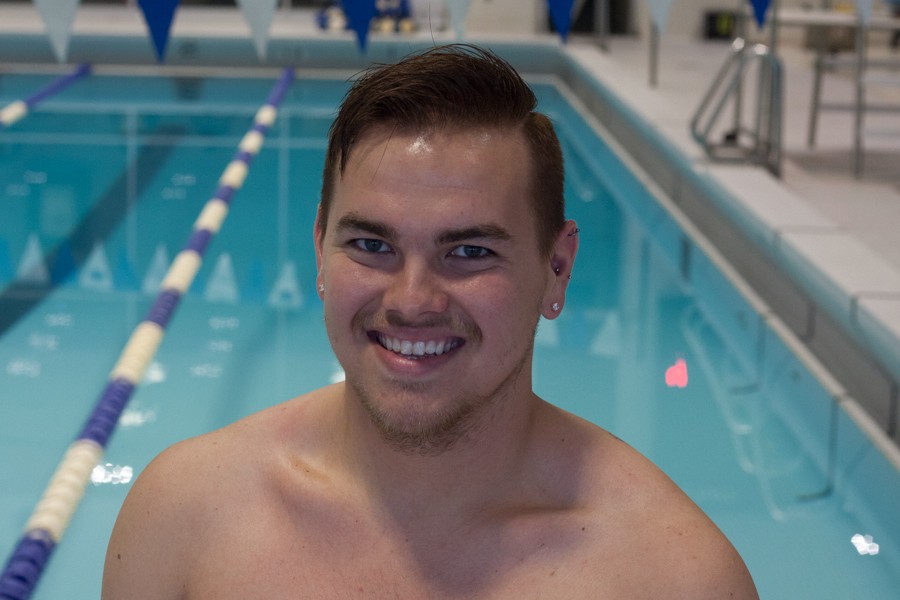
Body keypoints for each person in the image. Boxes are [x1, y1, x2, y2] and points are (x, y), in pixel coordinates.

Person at [102, 44, 758, 599]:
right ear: (320, 253)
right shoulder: (185, 519)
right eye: (371, 246)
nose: (412, 299)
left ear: (556, 268)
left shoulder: (672, 576)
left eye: (469, 251)